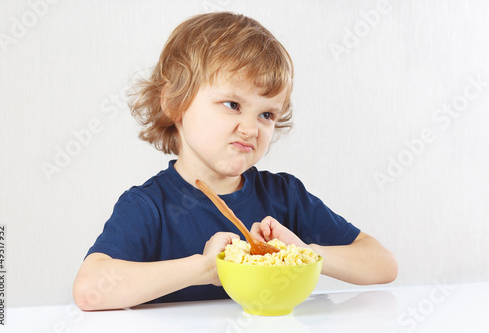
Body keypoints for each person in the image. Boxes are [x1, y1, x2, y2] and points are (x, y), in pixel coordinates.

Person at [73, 11, 397, 311]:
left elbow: (383, 264)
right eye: (232, 104)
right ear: (174, 103)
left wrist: (303, 253)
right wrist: (204, 268)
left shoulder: (285, 197)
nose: (251, 128)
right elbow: (90, 290)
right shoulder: (148, 207)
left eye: (267, 114)